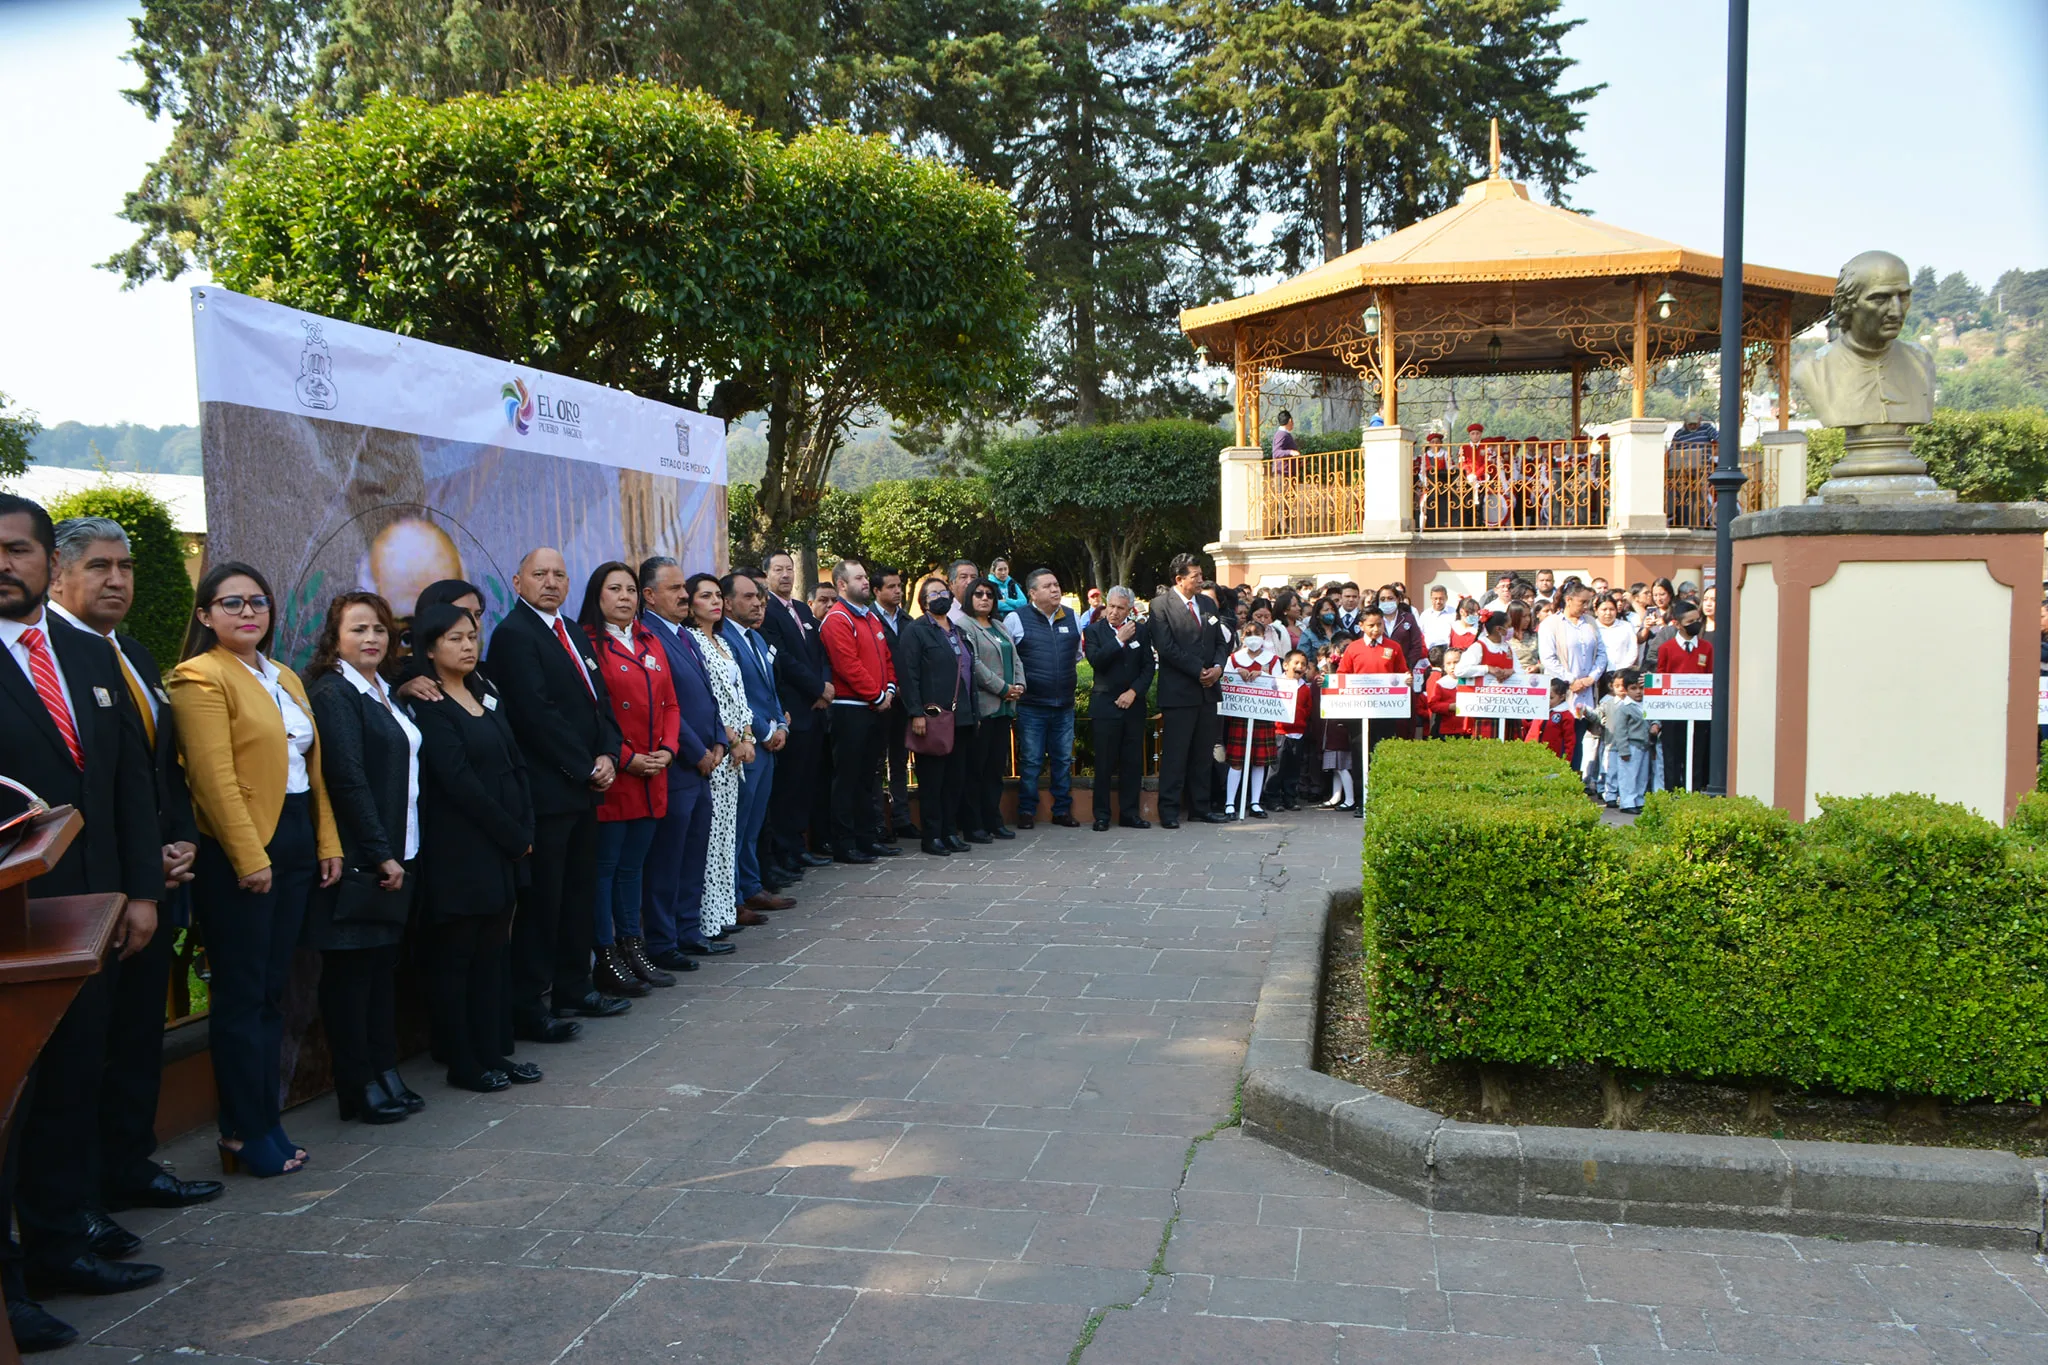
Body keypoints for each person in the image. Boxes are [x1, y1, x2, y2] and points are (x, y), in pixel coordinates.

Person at [0, 496, 167, 1348]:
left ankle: (64, 1241)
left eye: (19, 549)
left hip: (96, 913)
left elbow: (126, 783)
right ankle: (8, 1286)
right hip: (12, 922)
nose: (7, 563)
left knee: (72, 1082)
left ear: (42, 563)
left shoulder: (85, 654)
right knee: (12, 1106)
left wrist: (139, 892)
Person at [43, 517, 221, 1230]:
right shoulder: (48, 656)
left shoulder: (138, 654)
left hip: (155, 878)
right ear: (58, 573)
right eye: (99, 566)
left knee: (137, 1034)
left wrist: (178, 841)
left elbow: (159, 771)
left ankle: (127, 1163)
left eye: (125, 566)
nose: (117, 579)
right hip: (91, 890)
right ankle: (76, 1201)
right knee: (85, 1051)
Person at [169, 559, 343, 1176]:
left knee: (273, 992)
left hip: (295, 838)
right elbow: (214, 780)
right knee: (243, 996)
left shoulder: (284, 676)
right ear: (205, 615)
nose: (248, 613)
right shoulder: (199, 677)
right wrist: (250, 858)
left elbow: (311, 772)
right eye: (232, 603)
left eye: (258, 603)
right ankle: (242, 1133)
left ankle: (266, 1120)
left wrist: (327, 843)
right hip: (243, 850)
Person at [486, 548, 627, 1040]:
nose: (550, 582)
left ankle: (573, 986)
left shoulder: (571, 632)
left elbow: (600, 703)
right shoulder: (513, 636)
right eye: (539, 574)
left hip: (586, 789)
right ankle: (529, 1004)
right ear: (517, 580)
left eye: (559, 575)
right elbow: (535, 714)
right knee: (542, 903)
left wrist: (610, 752)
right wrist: (585, 764)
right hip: (549, 791)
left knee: (577, 894)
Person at [406, 603, 538, 1093]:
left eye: (471, 636)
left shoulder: (482, 690)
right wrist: (512, 833)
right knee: (457, 959)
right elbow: (459, 783)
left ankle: (492, 1052)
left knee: (492, 956)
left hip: (504, 847)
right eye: (455, 638)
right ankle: (462, 1060)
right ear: (430, 648)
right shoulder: (429, 704)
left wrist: (524, 826)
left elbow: (514, 760)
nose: (467, 645)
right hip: (461, 851)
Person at [303, 592, 423, 1125]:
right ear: (334, 639)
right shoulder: (335, 693)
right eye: (357, 630)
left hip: (400, 851)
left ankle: (384, 1070)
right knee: (351, 978)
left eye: (378, 629)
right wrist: (381, 855)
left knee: (379, 973)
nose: (371, 639)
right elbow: (347, 779)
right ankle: (357, 1086)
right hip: (360, 860)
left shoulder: (383, 690)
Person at [577, 562, 677, 996]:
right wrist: (628, 758)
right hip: (617, 774)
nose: (624, 597)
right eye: (613, 589)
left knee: (632, 870)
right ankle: (606, 953)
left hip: (653, 772)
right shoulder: (587, 643)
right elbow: (590, 715)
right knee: (606, 871)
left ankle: (634, 947)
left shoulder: (650, 639)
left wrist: (669, 751)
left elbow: (671, 704)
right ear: (597, 596)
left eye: (631, 589)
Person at [638, 557, 728, 962]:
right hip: (678, 766)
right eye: (674, 589)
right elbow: (665, 703)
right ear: (649, 596)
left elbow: (704, 697)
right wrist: (697, 751)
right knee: (668, 859)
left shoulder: (685, 635)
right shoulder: (648, 635)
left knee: (694, 853)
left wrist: (718, 743)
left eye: (683, 588)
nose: (684, 595)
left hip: (704, 761)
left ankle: (689, 928)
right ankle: (662, 940)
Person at [685, 573, 756, 936]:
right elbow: (710, 700)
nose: (715, 602)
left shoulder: (724, 643)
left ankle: (724, 911)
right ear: (690, 603)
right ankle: (706, 920)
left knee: (728, 837)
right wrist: (731, 739)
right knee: (710, 840)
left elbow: (738, 696)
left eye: (717, 595)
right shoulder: (693, 641)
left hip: (737, 755)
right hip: (715, 752)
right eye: (705, 596)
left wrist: (747, 735)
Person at [720, 569, 792, 915]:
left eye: (759, 598)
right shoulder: (725, 640)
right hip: (749, 743)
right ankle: (732, 896)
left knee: (754, 822)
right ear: (727, 603)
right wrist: (764, 731)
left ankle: (751, 886)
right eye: (748, 597)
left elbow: (769, 690)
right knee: (738, 823)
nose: (756, 603)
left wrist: (781, 725)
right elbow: (739, 696)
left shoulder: (757, 638)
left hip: (769, 742)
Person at [757, 550, 831, 881]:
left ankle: (799, 846)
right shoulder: (766, 611)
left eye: (789, 569)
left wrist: (825, 685)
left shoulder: (801, 608)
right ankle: (783, 850)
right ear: (767, 574)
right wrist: (816, 688)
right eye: (778, 570)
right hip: (792, 709)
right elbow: (783, 660)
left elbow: (818, 652)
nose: (786, 575)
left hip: (816, 708)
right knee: (786, 787)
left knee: (805, 782)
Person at [819, 559, 899, 863]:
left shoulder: (870, 618)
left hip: (877, 706)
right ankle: (845, 842)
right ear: (842, 585)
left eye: (866, 577)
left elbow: (886, 658)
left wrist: (888, 689)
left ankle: (868, 838)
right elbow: (847, 665)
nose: (866, 582)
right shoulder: (838, 618)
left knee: (869, 777)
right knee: (848, 779)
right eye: (859, 578)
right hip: (851, 710)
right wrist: (877, 694)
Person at [896, 575, 976, 856]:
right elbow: (908, 674)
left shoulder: (958, 630)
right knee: (933, 781)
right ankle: (932, 836)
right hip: (932, 717)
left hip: (962, 716)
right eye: (932, 594)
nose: (940, 597)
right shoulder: (915, 631)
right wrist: (915, 712)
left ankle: (949, 831)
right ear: (923, 602)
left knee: (955, 779)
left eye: (943, 592)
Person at [1149, 553, 1230, 829]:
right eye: (1195, 575)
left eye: (1200, 574)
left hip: (1208, 691)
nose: (1200, 579)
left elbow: (1221, 641)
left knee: (1203, 752)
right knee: (1176, 754)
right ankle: (1169, 810)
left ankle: (1200, 807)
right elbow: (1166, 647)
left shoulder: (1207, 603)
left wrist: (1218, 667)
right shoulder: (1160, 605)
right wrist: (1199, 671)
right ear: (1179, 579)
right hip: (1180, 692)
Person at [1002, 568, 1082, 830]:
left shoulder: (1071, 617)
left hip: (1064, 705)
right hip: (1032, 706)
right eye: (1047, 586)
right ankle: (1026, 811)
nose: (1055, 589)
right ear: (1033, 593)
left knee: (1062, 760)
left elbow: (1078, 655)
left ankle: (1062, 811)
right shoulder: (1016, 618)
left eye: (1057, 584)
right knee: (1032, 760)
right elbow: (1008, 658)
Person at [1081, 585, 1153, 831]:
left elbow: (1148, 668)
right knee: (1104, 763)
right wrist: (1118, 639)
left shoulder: (1141, 632)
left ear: (1129, 610)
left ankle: (1130, 813)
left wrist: (1133, 692)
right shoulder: (1093, 631)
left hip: (1133, 706)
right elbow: (1097, 662)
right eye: (1110, 606)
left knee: (1132, 763)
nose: (1113, 612)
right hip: (1105, 706)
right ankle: (1101, 815)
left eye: (1120, 608)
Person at [958, 577, 1022, 842]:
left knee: (996, 769)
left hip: (1004, 707)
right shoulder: (964, 625)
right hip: (984, 707)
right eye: (978, 594)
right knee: (976, 769)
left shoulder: (999, 625)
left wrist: (1019, 685)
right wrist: (1002, 687)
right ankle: (974, 825)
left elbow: (1015, 657)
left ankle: (994, 820)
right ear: (969, 598)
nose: (984, 598)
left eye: (989, 595)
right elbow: (972, 664)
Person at [1538, 584, 1608, 790]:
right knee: (1557, 739)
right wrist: (1571, 680)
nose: (1586, 607)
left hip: (1586, 692)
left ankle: (1574, 782)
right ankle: (1554, 783)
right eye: (1582, 602)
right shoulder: (1551, 624)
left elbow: (1602, 654)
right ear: (1569, 600)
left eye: (1588, 603)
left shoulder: (1591, 623)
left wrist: (1591, 678)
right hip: (1561, 693)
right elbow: (1548, 658)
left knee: (1576, 739)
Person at [872, 565, 916, 841]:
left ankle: (901, 819)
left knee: (899, 762)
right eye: (891, 586)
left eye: (899, 586)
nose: (897, 591)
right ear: (876, 591)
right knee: (876, 763)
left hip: (904, 703)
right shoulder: (869, 619)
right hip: (878, 702)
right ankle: (879, 822)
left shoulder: (908, 620)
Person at [1222, 620, 1280, 817]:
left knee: (1259, 761)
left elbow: (1280, 686)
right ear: (1243, 636)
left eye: (1257, 633)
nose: (1253, 636)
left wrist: (1263, 675)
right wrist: (1236, 673)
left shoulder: (1272, 660)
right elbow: (1226, 684)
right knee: (1236, 760)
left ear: (1264, 637)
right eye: (1249, 633)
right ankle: (1230, 803)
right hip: (1240, 715)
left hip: (1263, 715)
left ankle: (1255, 802)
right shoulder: (1234, 659)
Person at [1655, 600, 1713, 792]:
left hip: (1698, 712)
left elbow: (1710, 676)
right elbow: (1661, 676)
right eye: (1690, 621)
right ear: (1678, 624)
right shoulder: (1667, 649)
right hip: (1673, 713)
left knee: (1696, 756)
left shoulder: (1706, 648)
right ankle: (1671, 795)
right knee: (1672, 756)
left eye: (1697, 620)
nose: (1695, 624)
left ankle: (1693, 793)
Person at [1596, 670, 1652, 813]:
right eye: (1633, 688)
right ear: (1626, 690)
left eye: (1641, 688)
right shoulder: (1624, 708)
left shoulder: (1646, 705)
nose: (1638, 692)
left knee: (1642, 776)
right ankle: (1627, 802)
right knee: (1628, 776)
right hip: (1630, 746)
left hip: (1644, 745)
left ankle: (1639, 800)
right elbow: (1620, 732)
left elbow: (1651, 720)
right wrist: (1624, 750)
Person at [1416, 584, 1454, 651]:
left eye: (1441, 598)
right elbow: (1419, 635)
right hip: (1429, 654)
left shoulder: (1454, 613)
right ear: (1431, 598)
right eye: (1435, 599)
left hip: (1448, 653)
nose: (1438, 602)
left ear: (1446, 598)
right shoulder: (1425, 615)